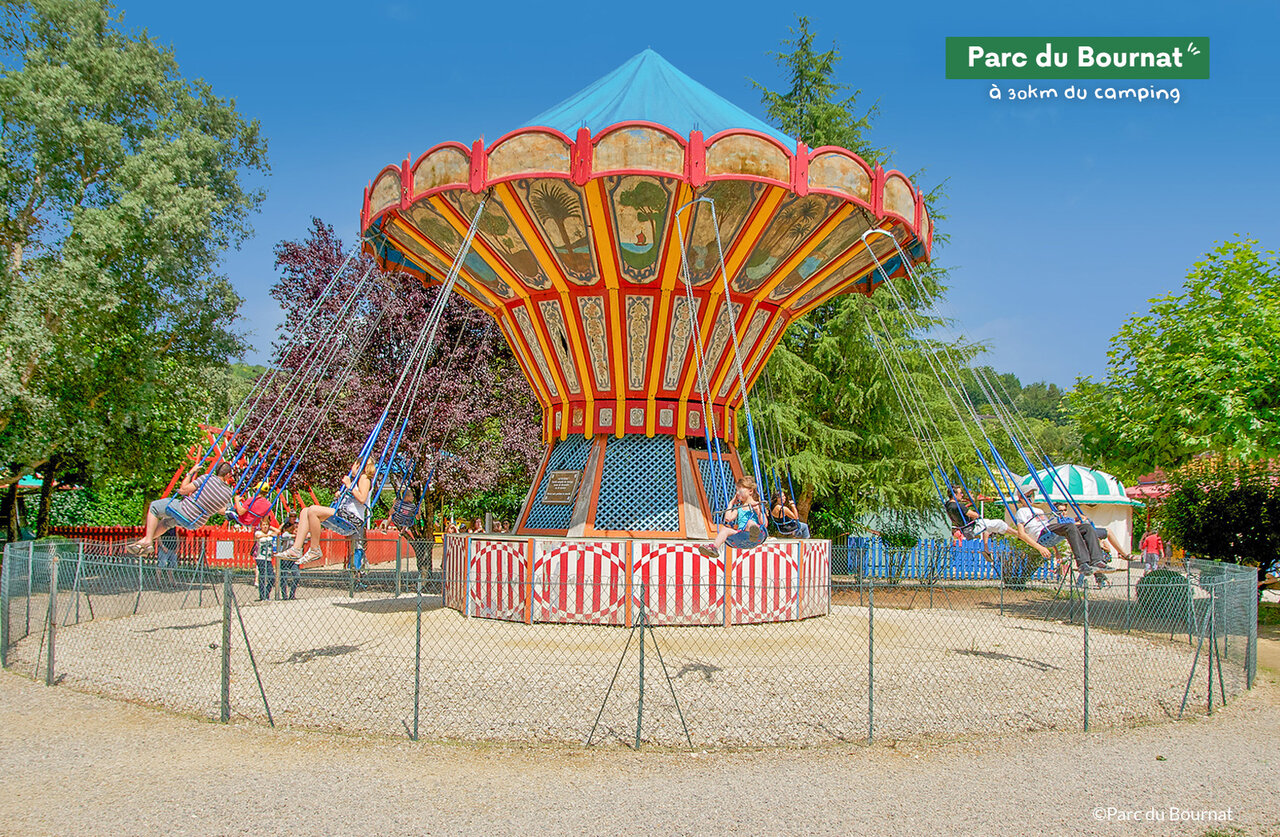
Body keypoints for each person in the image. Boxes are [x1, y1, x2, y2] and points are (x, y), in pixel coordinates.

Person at [277, 460, 376, 564]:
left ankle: (315, 549)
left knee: (313, 510)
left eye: (353, 464)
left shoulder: (364, 478)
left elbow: (362, 498)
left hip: (353, 518)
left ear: (358, 465)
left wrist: (349, 485)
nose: (351, 468)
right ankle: (296, 548)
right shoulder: (357, 480)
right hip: (345, 513)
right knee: (305, 511)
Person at [128, 462, 235, 555]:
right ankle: (145, 542)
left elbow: (183, 490)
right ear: (228, 475)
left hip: (184, 510)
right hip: (197, 522)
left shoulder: (207, 478)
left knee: (154, 507)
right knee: (167, 523)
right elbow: (221, 511)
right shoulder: (228, 493)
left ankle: (147, 540)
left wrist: (190, 473)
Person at [1015, 491, 1111, 586]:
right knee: (1070, 526)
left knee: (1087, 527)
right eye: (1027, 496)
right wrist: (1040, 548)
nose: (1030, 498)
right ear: (1020, 498)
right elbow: (1021, 534)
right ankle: (1082, 564)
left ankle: (1097, 561)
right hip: (1040, 533)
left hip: (1049, 532)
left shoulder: (1039, 510)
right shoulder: (1021, 512)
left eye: (1032, 495)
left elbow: (1052, 534)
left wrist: (1056, 551)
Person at [946, 486, 1047, 557]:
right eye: (960, 493)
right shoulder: (959, 506)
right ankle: (1020, 534)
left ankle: (986, 549)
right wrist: (973, 511)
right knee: (999, 523)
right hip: (972, 527)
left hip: (966, 529)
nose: (962, 495)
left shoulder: (948, 505)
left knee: (988, 528)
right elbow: (975, 515)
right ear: (954, 494)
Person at [699, 475, 766, 557]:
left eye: (740, 491)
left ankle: (753, 534)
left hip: (757, 533)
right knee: (724, 529)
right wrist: (731, 504)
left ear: (750, 491)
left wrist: (758, 511)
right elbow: (727, 519)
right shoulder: (739, 508)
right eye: (736, 491)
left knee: (750, 522)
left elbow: (764, 524)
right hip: (741, 533)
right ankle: (714, 548)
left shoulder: (757, 505)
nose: (737, 493)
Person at [252, 516, 277, 601]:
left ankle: (267, 593)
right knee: (262, 575)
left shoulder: (270, 532)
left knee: (271, 576)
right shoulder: (258, 532)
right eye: (263, 525)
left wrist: (270, 528)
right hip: (260, 557)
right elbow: (257, 537)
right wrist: (268, 534)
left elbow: (277, 531)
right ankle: (262, 595)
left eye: (266, 525)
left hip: (268, 558)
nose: (265, 526)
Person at [277, 516, 301, 600]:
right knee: (284, 577)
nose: (297, 532)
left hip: (294, 559)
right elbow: (284, 535)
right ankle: (284, 595)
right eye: (295, 530)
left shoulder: (300, 538)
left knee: (297, 576)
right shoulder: (287, 534)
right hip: (285, 558)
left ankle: (292, 594)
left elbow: (308, 536)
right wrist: (294, 536)